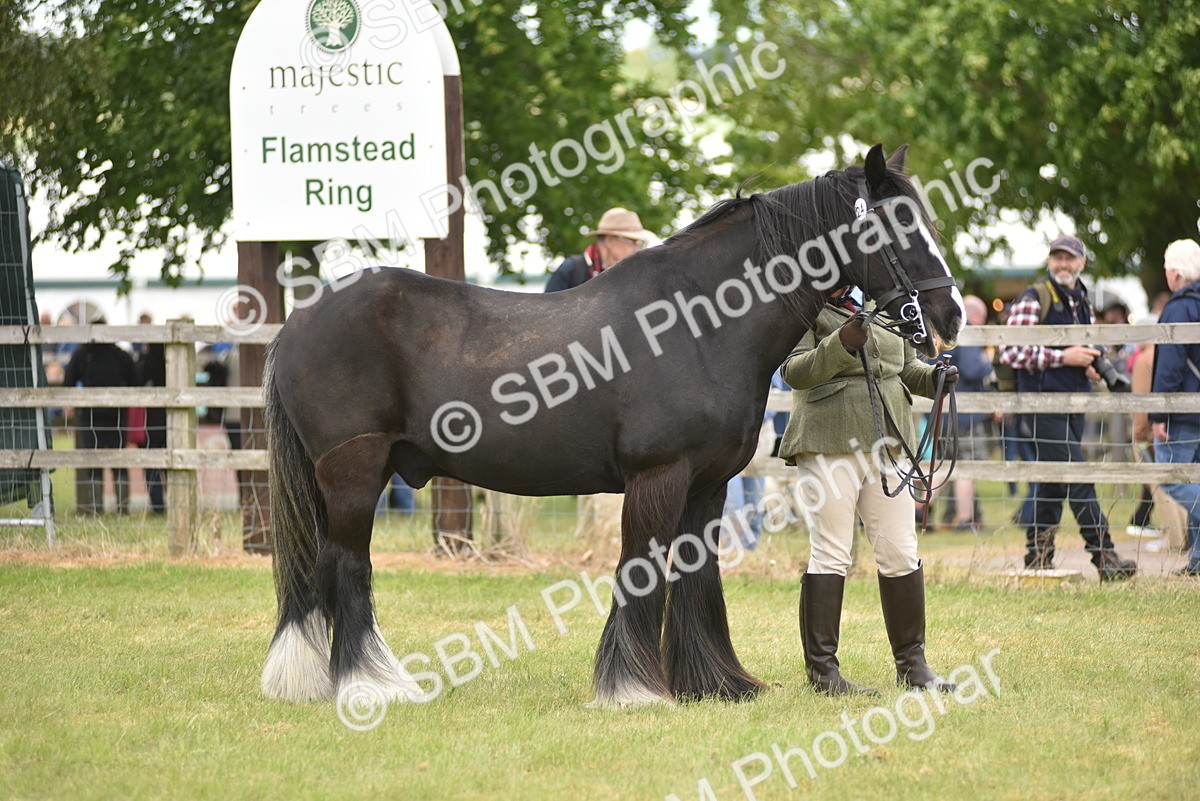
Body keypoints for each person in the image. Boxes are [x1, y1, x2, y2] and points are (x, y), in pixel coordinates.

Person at [778, 289, 958, 696]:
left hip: (890, 440)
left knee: (900, 550)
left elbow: (905, 368)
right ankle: (823, 673)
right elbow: (794, 371)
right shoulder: (806, 303)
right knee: (831, 551)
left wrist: (934, 378)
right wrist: (839, 345)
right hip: (828, 437)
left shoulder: (885, 302)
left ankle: (913, 666)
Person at [998, 234, 1137, 581]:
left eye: (1069, 258)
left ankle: (1038, 557)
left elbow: (1083, 346)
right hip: (1042, 406)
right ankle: (1105, 558)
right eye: (1056, 257)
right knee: (1077, 476)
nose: (1062, 264)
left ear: (1081, 262)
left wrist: (1087, 363)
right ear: (1049, 261)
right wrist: (1063, 356)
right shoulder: (1035, 297)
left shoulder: (1082, 299)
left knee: (1051, 482)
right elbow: (1010, 351)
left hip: (1074, 405)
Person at [1149, 239, 1200, 577]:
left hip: (1181, 411)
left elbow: (1170, 366)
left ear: (1176, 271)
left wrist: (1157, 413)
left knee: (1170, 477)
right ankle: (1197, 559)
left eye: (1167, 266)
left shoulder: (1178, 307)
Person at [62, 328, 139, 515]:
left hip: (90, 416)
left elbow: (68, 383)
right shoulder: (120, 355)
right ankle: (123, 508)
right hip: (117, 415)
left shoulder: (82, 354)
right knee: (118, 460)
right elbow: (136, 381)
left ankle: (96, 508)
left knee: (93, 461)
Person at [939, 295, 994, 530]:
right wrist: (989, 361)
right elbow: (972, 369)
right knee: (965, 467)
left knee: (946, 467)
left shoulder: (945, 329)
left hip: (944, 414)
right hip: (965, 415)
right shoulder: (966, 331)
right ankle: (964, 520)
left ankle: (918, 508)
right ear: (977, 316)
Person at [543, 207, 652, 292]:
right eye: (631, 241)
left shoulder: (632, 275)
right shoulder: (571, 270)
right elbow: (546, 314)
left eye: (639, 243)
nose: (637, 249)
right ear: (609, 240)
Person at [137, 343, 167, 514]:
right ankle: (178, 502)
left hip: (150, 422)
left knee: (152, 466)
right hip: (171, 422)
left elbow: (136, 381)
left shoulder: (145, 364)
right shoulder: (167, 365)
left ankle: (158, 506)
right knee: (172, 465)